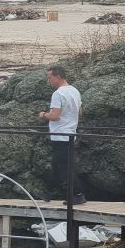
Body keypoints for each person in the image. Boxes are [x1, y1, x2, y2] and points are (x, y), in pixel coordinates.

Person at [38, 64, 85, 204]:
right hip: (70, 133)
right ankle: (47, 192)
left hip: (60, 134)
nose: (49, 81)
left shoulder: (58, 93)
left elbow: (55, 116)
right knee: (57, 164)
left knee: (64, 167)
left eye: (50, 78)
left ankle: (78, 194)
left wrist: (43, 114)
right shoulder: (75, 91)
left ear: (58, 77)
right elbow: (80, 111)